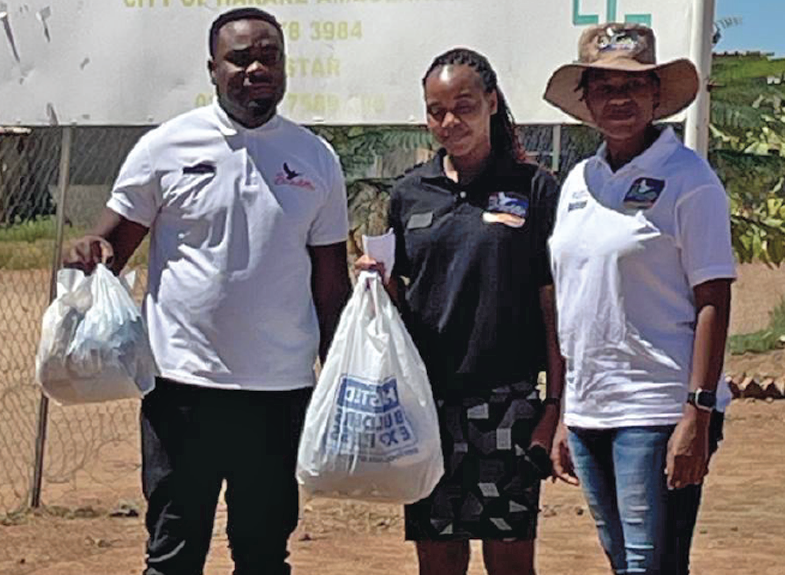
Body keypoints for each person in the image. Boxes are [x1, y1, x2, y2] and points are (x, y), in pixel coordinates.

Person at [63, 8, 350, 575]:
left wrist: (339, 374)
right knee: (173, 553)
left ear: (284, 66)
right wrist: (87, 251)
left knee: (264, 555)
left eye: (268, 56)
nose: (255, 69)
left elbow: (330, 283)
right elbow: (111, 247)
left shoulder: (316, 158)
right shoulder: (165, 147)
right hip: (182, 389)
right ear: (212, 69)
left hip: (279, 392)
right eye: (239, 59)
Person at [357, 48, 564, 575]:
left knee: (510, 562)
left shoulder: (534, 187)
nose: (450, 122)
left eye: (464, 106)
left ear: (492, 102)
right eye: (436, 111)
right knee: (439, 562)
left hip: (508, 406)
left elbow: (553, 308)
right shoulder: (410, 193)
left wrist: (553, 407)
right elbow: (400, 301)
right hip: (427, 407)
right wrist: (376, 281)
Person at [543, 23, 735, 575]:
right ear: (586, 100)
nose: (619, 98)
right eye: (604, 87)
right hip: (590, 410)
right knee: (623, 562)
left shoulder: (689, 178)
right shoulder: (579, 182)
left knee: (651, 565)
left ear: (656, 94)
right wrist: (565, 412)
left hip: (659, 407)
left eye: (633, 85)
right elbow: (573, 302)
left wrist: (697, 412)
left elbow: (713, 297)